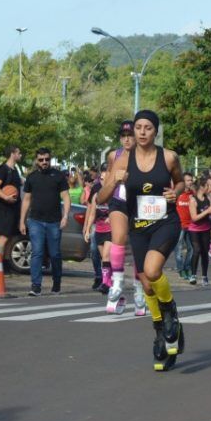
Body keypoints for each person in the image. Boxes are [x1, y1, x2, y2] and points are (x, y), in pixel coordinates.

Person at [99, 109, 186, 371]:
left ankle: (170, 312)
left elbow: (180, 182)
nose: (142, 132)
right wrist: (114, 182)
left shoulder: (169, 157)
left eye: (148, 128)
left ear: (155, 131)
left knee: (151, 269)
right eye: (138, 128)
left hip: (165, 223)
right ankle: (161, 332)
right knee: (147, 285)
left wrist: (175, 192)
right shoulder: (123, 160)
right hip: (139, 226)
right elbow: (101, 199)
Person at [104, 121, 145, 315]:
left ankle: (139, 289)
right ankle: (117, 283)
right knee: (118, 238)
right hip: (118, 201)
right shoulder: (114, 155)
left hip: (139, 203)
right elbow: (107, 181)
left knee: (138, 246)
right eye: (123, 135)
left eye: (130, 135)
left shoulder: (146, 155)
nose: (127, 139)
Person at [20, 147, 70, 296]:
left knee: (55, 254)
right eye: (41, 160)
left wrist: (65, 216)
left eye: (47, 159)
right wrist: (21, 221)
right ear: (36, 160)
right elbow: (26, 200)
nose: (44, 162)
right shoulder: (32, 177)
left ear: (50, 159)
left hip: (54, 221)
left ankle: (56, 283)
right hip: (35, 220)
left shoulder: (58, 176)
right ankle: (36, 286)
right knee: (37, 253)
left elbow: (66, 197)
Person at [83, 167, 113, 293]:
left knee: (106, 256)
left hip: (111, 229)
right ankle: (109, 280)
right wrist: (87, 228)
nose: (102, 181)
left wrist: (112, 217)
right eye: (100, 178)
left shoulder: (114, 192)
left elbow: (121, 208)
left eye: (104, 179)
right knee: (103, 257)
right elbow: (92, 213)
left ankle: (106, 283)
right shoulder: (96, 194)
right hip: (99, 229)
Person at [0, 145, 23, 251]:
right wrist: (6, 197)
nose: (20, 155)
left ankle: (4, 264)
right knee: (3, 238)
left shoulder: (14, 170)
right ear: (12, 154)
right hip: (6, 210)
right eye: (18, 153)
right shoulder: (3, 169)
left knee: (10, 239)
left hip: (15, 209)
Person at [187, 175, 211, 286]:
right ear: (202, 187)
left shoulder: (208, 198)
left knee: (204, 252)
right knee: (196, 250)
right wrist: (207, 211)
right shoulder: (193, 200)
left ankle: (204, 276)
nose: (209, 187)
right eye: (208, 185)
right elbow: (194, 218)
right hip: (194, 229)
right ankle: (192, 275)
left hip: (206, 228)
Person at [175, 172, 195, 282]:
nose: (190, 182)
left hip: (191, 225)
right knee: (178, 249)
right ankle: (180, 269)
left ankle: (187, 268)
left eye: (191, 180)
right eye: (188, 180)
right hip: (179, 226)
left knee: (191, 249)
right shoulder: (178, 194)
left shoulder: (193, 194)